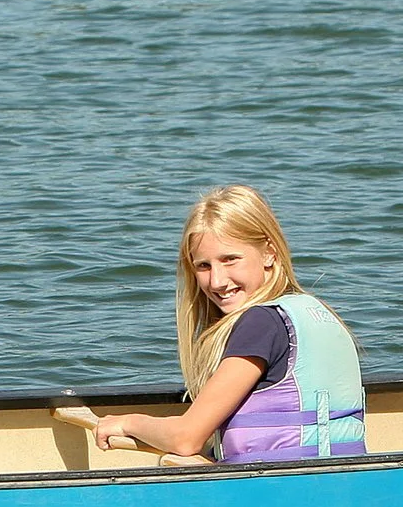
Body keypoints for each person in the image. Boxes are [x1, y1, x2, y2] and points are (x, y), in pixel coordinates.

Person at [92, 185, 368, 463]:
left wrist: (128, 422)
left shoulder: (261, 323)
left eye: (230, 260)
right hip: (338, 483)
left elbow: (186, 438)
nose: (217, 281)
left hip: (280, 490)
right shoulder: (313, 311)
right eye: (203, 266)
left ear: (269, 252)